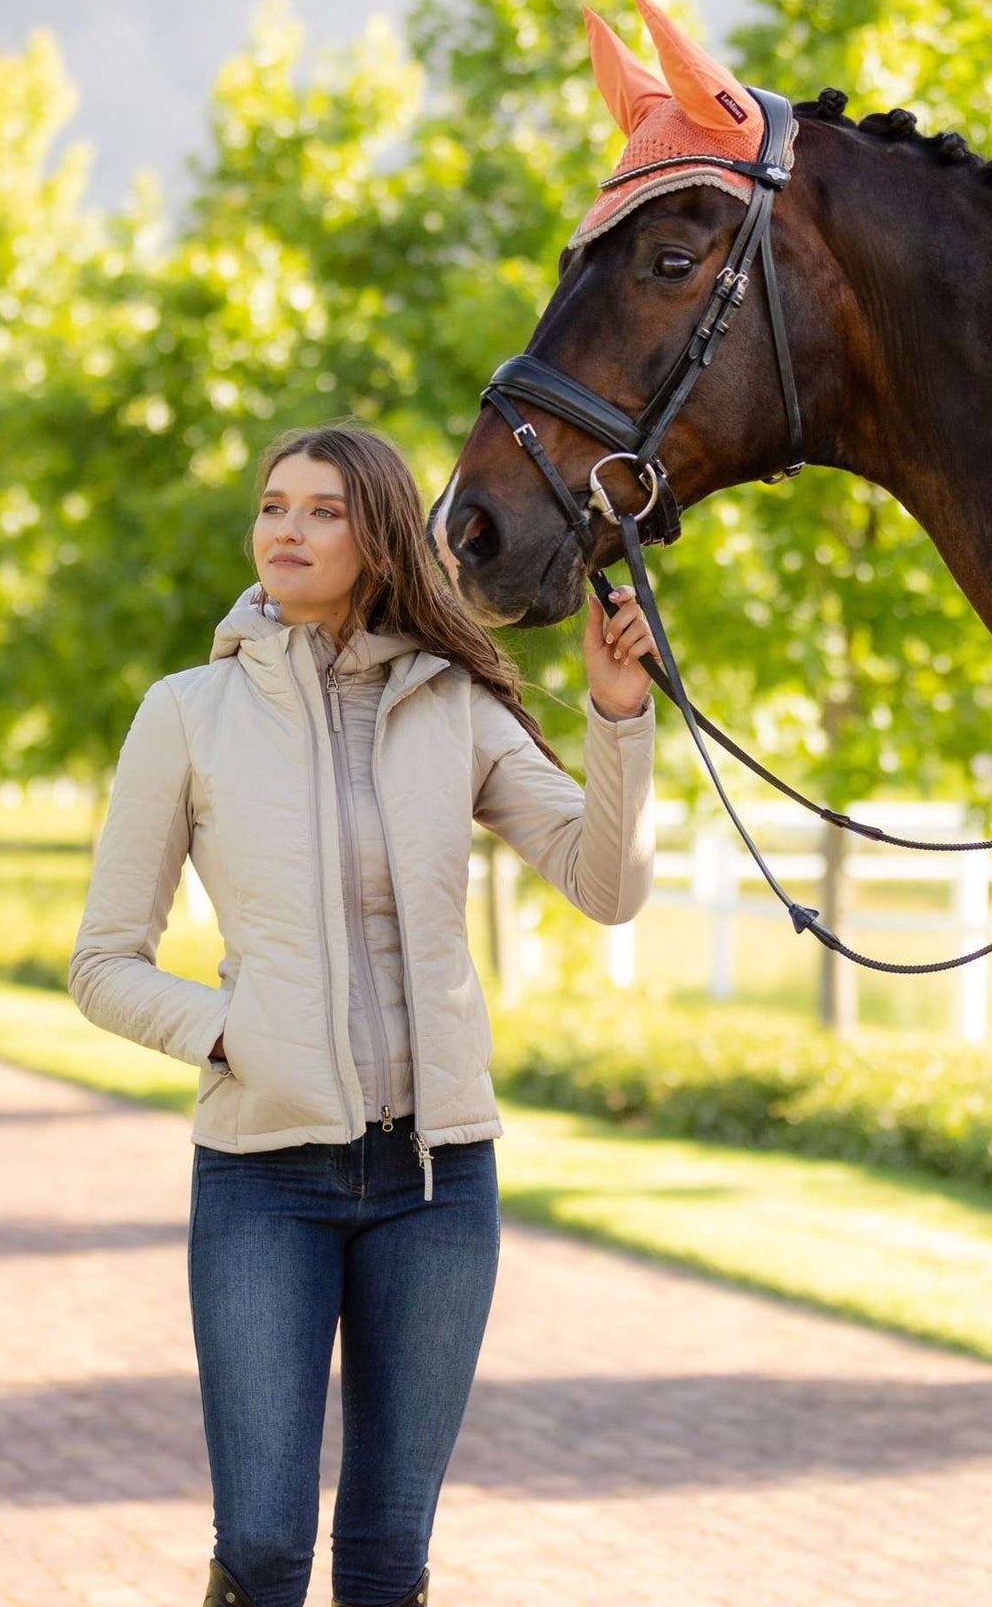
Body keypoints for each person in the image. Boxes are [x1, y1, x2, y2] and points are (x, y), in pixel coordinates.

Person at [68, 420, 656, 1607]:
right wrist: (230, 1031)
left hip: (437, 1185)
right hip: (263, 1178)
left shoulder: (456, 707)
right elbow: (103, 961)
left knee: (388, 1556)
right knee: (269, 1544)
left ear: (378, 531)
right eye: (273, 504)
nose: (286, 528)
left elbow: (609, 883)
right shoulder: (186, 712)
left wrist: (618, 713)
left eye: (322, 508)